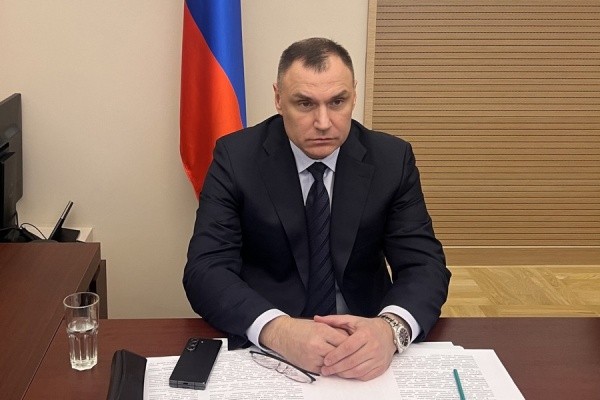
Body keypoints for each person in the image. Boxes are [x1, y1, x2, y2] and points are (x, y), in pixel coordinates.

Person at [184, 37, 450, 381]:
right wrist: (278, 330)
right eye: (305, 103)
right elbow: (206, 269)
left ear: (354, 95)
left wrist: (390, 329)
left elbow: (424, 265)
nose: (323, 122)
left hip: (365, 340)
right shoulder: (236, 158)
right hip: (270, 347)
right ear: (279, 99)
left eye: (337, 102)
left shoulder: (391, 159)